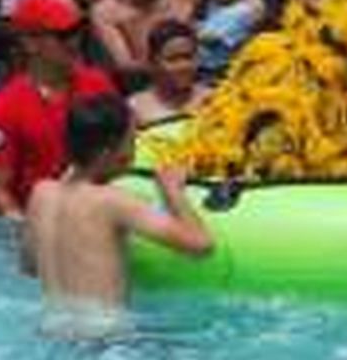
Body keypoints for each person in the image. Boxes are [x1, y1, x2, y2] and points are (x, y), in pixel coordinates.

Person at [22, 94, 212, 326]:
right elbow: (201, 246)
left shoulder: (41, 193)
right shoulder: (113, 201)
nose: (134, 150)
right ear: (105, 154)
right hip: (106, 340)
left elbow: (30, 267)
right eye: (131, 142)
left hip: (53, 330)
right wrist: (172, 190)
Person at [0, 0, 116, 219]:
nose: (75, 41)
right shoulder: (4, 107)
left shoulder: (99, 84)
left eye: (78, 31)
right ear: (30, 43)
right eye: (64, 35)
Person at [128, 19, 208, 127]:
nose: (182, 66)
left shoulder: (212, 100)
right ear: (153, 63)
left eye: (188, 57)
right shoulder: (136, 108)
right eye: (172, 59)